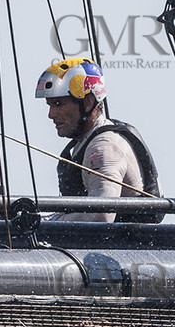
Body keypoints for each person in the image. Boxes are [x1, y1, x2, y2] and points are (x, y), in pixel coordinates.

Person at [34, 57, 159, 223]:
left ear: (87, 102)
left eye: (58, 104)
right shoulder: (86, 142)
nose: (51, 114)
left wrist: (49, 223)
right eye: (49, 105)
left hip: (123, 239)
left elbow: (101, 216)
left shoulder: (104, 148)